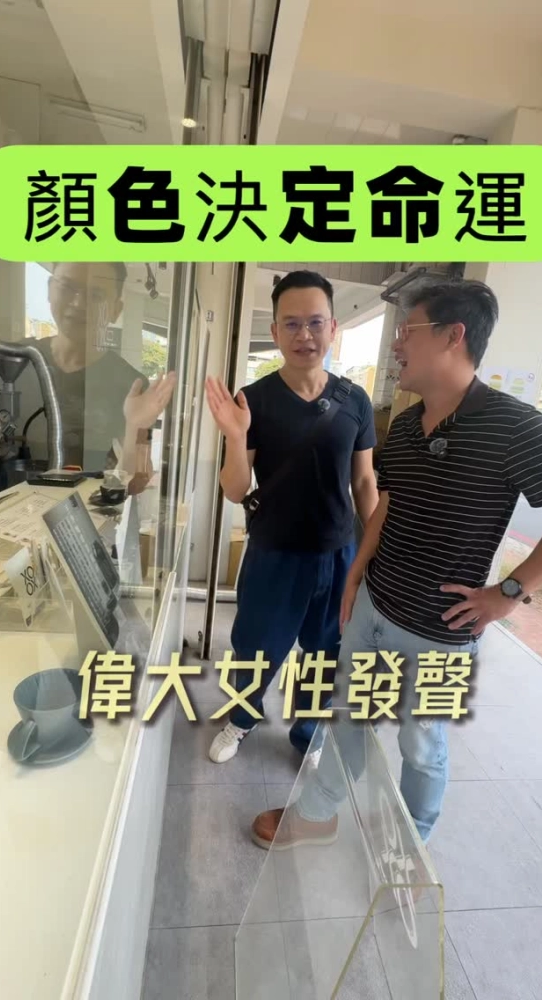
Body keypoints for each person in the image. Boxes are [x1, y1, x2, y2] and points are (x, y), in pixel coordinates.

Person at [251, 277, 542, 849]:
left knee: (421, 745)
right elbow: (385, 505)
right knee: (347, 718)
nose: (397, 345)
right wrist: (355, 576)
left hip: (441, 632)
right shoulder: (409, 426)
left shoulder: (515, 426)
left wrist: (508, 593)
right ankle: (317, 814)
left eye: (408, 331)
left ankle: (411, 846)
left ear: (452, 336)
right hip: (372, 608)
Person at [205, 269, 379, 765]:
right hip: (273, 554)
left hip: (337, 554)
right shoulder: (254, 399)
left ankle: (308, 733)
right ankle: (242, 719)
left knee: (325, 653)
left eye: (316, 322)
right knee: (254, 647)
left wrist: (372, 552)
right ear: (276, 331)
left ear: (333, 327)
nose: (305, 335)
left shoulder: (355, 400)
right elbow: (235, 489)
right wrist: (235, 436)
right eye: (292, 323)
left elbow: (364, 483)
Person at [12, 261, 176, 481]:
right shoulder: (12, 361)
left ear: (116, 310)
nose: (78, 303)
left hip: (84, 501)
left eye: (96, 295)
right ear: (50, 289)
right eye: (68, 287)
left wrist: (135, 426)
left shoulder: (130, 384)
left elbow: (137, 481)